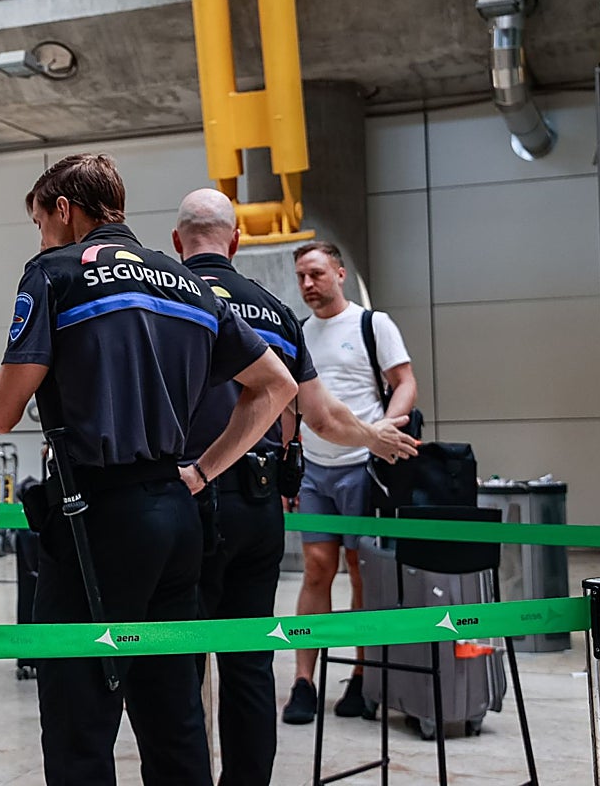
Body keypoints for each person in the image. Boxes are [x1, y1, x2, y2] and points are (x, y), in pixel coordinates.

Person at [0, 154, 296, 786]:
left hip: (96, 519)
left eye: (40, 222)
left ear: (64, 210)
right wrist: (205, 471)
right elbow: (275, 386)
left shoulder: (54, 273)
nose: (42, 237)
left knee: (81, 717)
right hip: (179, 511)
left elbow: (0, 411)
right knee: (174, 713)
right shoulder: (183, 281)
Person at [172, 189, 418, 785]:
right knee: (251, 662)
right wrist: (373, 436)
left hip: (182, 498)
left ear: (179, 244)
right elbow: (321, 415)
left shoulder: (166, 299)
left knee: (179, 664)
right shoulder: (277, 314)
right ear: (234, 242)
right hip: (257, 506)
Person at [283, 239, 418, 725]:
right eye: (300, 276)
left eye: (316, 273)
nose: (307, 284)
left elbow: (404, 381)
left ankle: (361, 677)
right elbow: (289, 403)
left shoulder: (370, 324)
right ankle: (303, 681)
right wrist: (287, 465)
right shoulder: (297, 333)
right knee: (316, 570)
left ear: (339, 273)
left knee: (361, 572)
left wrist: (385, 430)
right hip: (316, 470)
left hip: (364, 467)